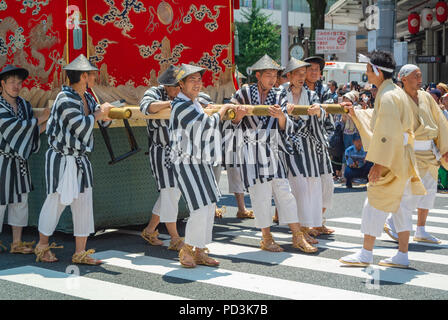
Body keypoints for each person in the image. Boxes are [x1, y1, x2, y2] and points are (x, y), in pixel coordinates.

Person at [339, 50, 426, 269]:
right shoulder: (394, 92)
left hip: (392, 160)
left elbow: (386, 133)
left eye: (368, 70)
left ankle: (366, 253)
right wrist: (357, 113)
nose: (366, 74)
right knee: (400, 207)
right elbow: (381, 124)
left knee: (374, 203)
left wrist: (378, 165)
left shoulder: (387, 96)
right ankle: (402, 255)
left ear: (378, 71)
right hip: (403, 157)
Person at [230, 54, 317, 253]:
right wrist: (238, 116)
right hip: (251, 149)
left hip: (272, 149)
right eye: (268, 75)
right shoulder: (244, 92)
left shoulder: (278, 94)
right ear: (258, 75)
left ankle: (297, 235)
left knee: (284, 193)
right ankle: (266, 237)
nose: (272, 79)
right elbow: (231, 118)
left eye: (275, 75)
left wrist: (280, 117)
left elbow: (286, 124)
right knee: (260, 195)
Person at [34, 54, 113, 264]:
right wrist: (99, 114)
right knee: (55, 202)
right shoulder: (65, 97)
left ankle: (80, 252)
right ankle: (42, 246)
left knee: (84, 203)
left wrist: (106, 115)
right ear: (84, 76)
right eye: (92, 75)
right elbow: (79, 125)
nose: (95, 78)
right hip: (61, 159)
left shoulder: (86, 97)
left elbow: (100, 120)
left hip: (79, 159)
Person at [169, 64, 238, 268]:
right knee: (200, 206)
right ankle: (188, 249)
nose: (197, 83)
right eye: (192, 80)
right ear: (180, 84)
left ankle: (199, 249)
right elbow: (205, 125)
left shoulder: (194, 103)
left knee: (208, 206)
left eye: (199, 79)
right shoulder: (181, 105)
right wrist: (223, 110)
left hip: (200, 161)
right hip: (187, 162)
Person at [383, 64, 448, 245]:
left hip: (429, 150)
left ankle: (421, 229)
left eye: (420, 75)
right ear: (403, 79)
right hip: (408, 151)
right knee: (408, 193)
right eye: (415, 76)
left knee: (428, 193)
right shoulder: (396, 98)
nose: (420, 79)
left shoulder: (427, 97)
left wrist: (445, 148)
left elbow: (441, 121)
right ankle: (392, 222)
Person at [283, 57, 334, 245]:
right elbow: (274, 113)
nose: (303, 77)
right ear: (289, 76)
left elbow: (324, 114)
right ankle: (298, 229)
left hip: (311, 148)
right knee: (295, 189)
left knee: (312, 187)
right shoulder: (281, 92)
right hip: (287, 146)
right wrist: (283, 111)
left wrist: (319, 111)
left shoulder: (312, 94)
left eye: (305, 74)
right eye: (299, 74)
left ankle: (306, 227)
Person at [0, 65, 49, 254]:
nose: (16, 86)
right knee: (0, 202)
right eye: (12, 82)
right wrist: (42, 118)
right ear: (2, 84)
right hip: (2, 160)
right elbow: (14, 127)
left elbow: (30, 134)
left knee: (20, 201)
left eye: (19, 82)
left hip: (19, 161)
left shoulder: (24, 105)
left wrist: (47, 122)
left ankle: (16, 243)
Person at [138, 65, 186, 251]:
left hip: (180, 151)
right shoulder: (155, 92)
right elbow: (146, 107)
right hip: (161, 150)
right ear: (165, 86)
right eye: (174, 87)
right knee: (170, 193)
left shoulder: (184, 93)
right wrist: (169, 104)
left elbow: (204, 101)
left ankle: (150, 230)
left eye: (179, 86)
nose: (177, 90)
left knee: (172, 193)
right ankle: (174, 237)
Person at [303, 55, 335, 236]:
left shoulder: (324, 90)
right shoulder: (296, 89)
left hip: (320, 142)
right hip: (301, 143)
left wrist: (321, 110)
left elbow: (330, 110)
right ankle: (307, 224)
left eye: (317, 69)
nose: (314, 72)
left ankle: (318, 220)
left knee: (328, 184)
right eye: (311, 69)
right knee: (307, 186)